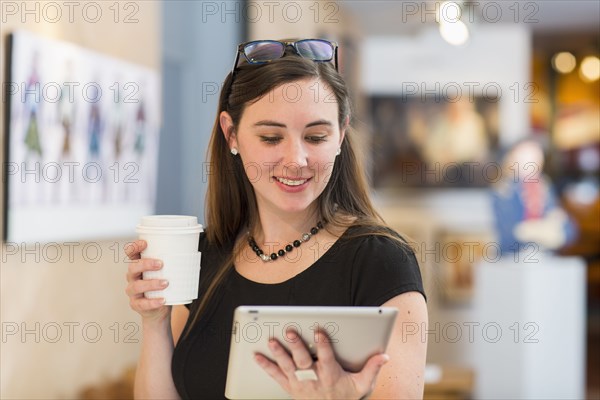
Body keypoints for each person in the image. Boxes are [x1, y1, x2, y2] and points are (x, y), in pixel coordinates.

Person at [125, 39, 428, 399]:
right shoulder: (208, 254)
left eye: (316, 136)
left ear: (341, 134)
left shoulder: (380, 262)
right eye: (271, 138)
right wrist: (154, 322)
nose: (296, 159)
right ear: (231, 133)